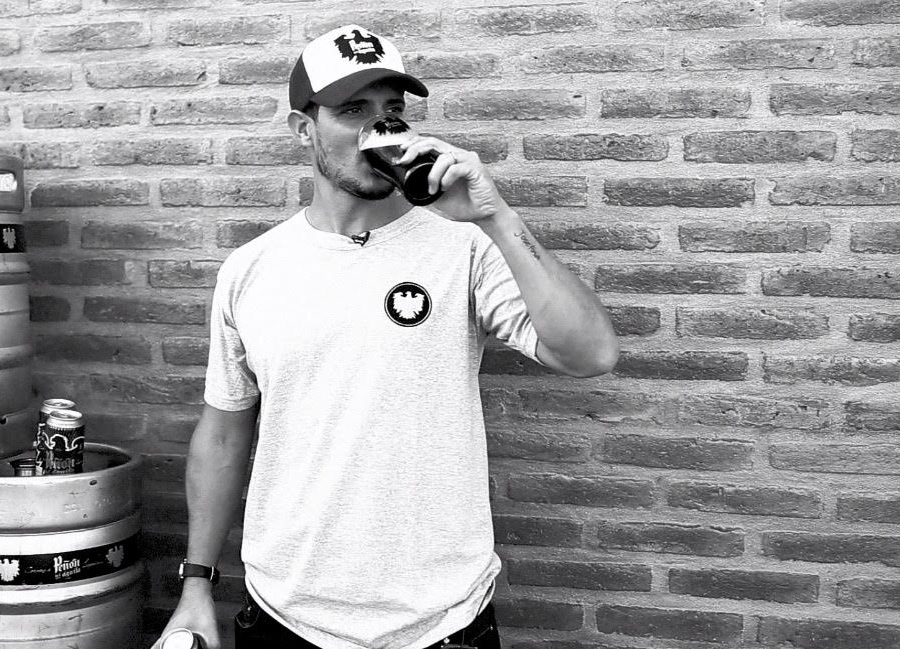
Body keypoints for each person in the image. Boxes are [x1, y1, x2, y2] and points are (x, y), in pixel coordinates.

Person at [156, 24, 619, 649]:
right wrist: (196, 585)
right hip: (287, 615)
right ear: (303, 129)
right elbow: (222, 433)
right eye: (353, 110)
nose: (380, 129)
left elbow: (591, 354)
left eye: (392, 110)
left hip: (442, 622)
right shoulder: (251, 269)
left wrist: (497, 217)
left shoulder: (464, 247)